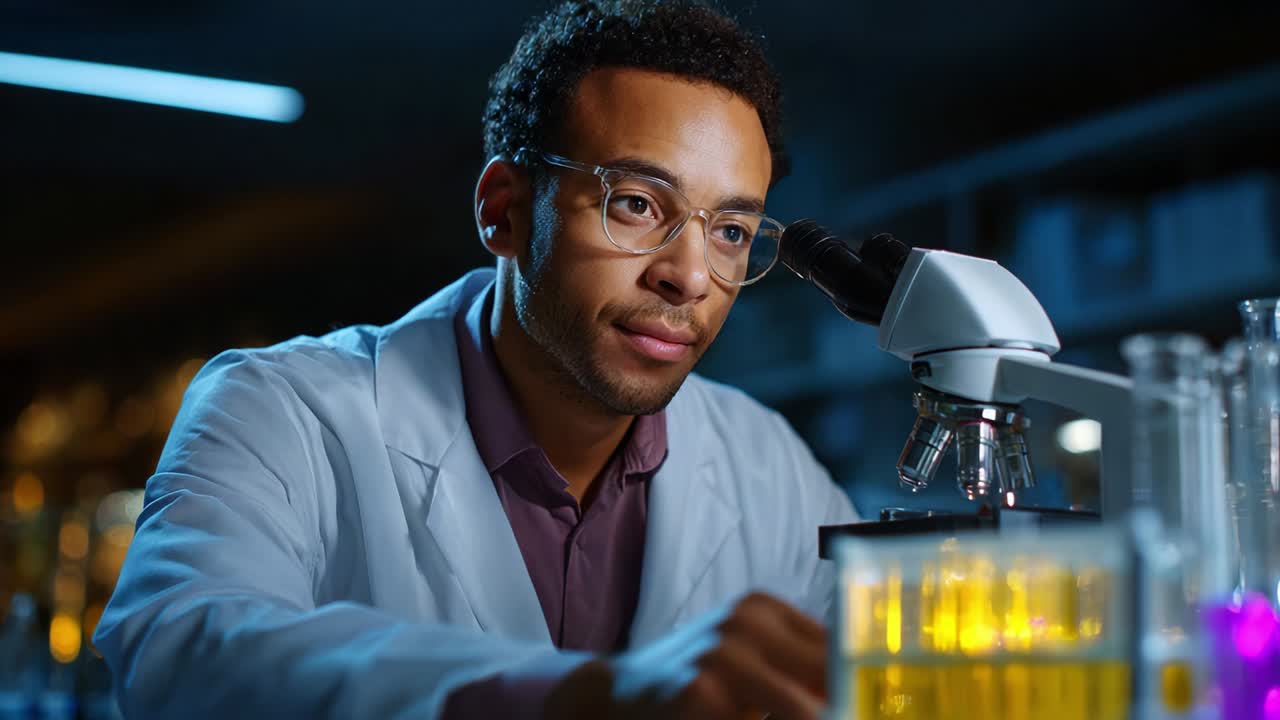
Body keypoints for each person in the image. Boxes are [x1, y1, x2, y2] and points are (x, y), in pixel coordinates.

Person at [94, 1, 859, 718]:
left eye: (729, 230)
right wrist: (590, 697)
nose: (689, 276)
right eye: (636, 203)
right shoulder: (280, 410)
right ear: (504, 210)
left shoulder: (769, 466)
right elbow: (178, 651)